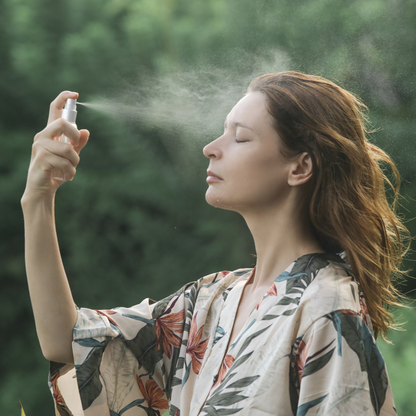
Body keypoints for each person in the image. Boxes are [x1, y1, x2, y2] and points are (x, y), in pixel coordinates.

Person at [21, 71, 408, 416]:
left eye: (240, 137)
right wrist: (38, 201)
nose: (211, 147)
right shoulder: (210, 301)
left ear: (300, 167)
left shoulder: (328, 311)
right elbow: (68, 342)